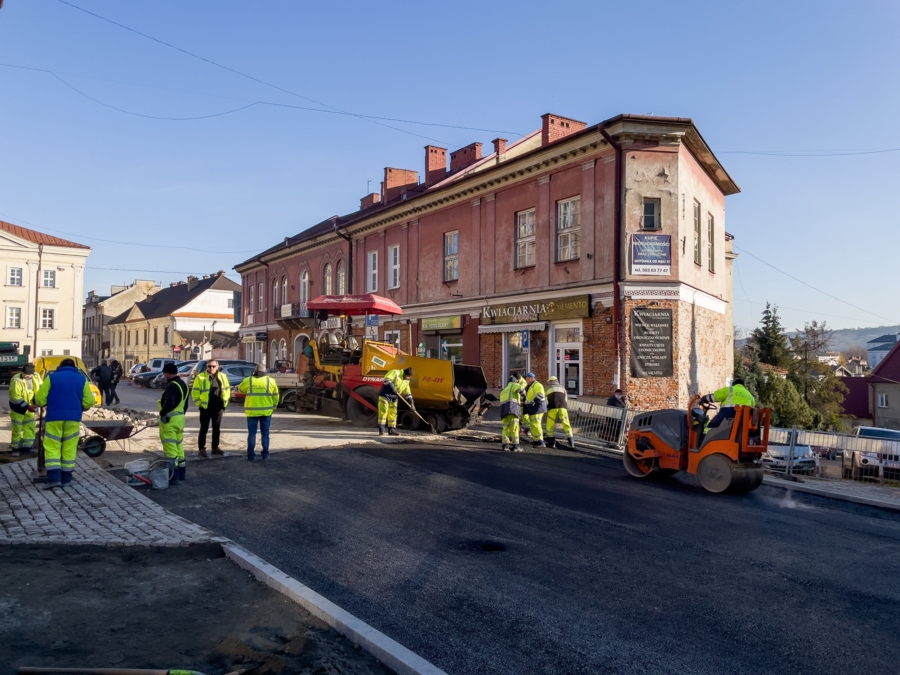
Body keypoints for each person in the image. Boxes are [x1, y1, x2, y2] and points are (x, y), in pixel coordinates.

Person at [34, 359, 94, 489]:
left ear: (60, 366)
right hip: (73, 419)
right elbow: (89, 401)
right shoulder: (81, 379)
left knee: (52, 446)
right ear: (74, 367)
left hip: (54, 417)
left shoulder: (52, 378)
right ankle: (66, 478)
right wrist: (80, 407)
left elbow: (39, 399)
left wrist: (43, 403)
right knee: (69, 447)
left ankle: (54, 478)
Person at [238, 364, 279, 461]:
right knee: (265, 434)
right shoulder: (271, 381)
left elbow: (241, 389)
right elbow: (276, 396)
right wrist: (273, 407)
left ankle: (250, 456)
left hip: (252, 412)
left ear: (254, 371)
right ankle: (265, 455)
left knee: (252, 434)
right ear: (265, 371)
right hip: (266, 412)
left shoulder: (249, 380)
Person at [158, 363, 190, 485]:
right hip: (180, 419)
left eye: (164, 374)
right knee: (179, 447)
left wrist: (163, 413)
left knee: (170, 449)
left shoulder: (171, 386)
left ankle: (173, 476)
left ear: (168, 374)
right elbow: (185, 405)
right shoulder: (184, 385)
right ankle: (182, 473)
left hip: (170, 421)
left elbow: (169, 402)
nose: (164, 376)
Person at [191, 360, 230, 458]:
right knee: (204, 429)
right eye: (209, 366)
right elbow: (195, 393)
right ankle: (201, 449)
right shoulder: (200, 377)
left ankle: (215, 448)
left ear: (217, 366)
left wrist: (225, 402)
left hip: (218, 407)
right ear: (206, 367)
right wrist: (199, 404)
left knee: (216, 429)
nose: (211, 368)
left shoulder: (223, 376)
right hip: (205, 408)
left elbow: (227, 390)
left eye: (213, 366)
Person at [8, 364, 43, 456]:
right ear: (22, 372)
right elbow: (15, 396)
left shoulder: (36, 376)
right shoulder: (16, 380)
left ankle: (27, 448)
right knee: (17, 429)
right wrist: (27, 406)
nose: (26, 376)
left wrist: (40, 402)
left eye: (28, 375)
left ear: (32, 373)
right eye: (25, 375)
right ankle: (15, 449)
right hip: (17, 408)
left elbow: (40, 389)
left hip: (30, 407)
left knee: (30, 427)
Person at [377, 367, 414, 436]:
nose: (409, 378)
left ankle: (391, 431)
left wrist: (412, 403)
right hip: (385, 395)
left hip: (394, 397)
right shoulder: (395, 373)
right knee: (383, 412)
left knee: (393, 414)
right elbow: (386, 379)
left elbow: (407, 393)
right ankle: (381, 430)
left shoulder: (406, 381)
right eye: (408, 376)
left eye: (409, 377)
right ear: (404, 374)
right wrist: (393, 388)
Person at [544, 376, 574, 450]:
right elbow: (566, 399)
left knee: (550, 426)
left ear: (549, 382)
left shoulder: (547, 388)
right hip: (563, 408)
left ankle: (551, 443)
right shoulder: (562, 387)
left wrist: (545, 407)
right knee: (566, 425)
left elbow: (544, 399)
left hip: (552, 407)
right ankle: (571, 443)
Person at [522, 372, 548, 448]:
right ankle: (536, 440)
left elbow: (541, 395)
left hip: (538, 407)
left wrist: (533, 401)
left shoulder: (537, 385)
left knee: (536, 424)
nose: (526, 380)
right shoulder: (531, 386)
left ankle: (540, 441)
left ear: (530, 378)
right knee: (533, 424)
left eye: (526, 378)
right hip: (534, 408)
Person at [499, 375, 523, 452]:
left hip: (504, 412)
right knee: (514, 428)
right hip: (513, 410)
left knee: (505, 428)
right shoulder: (514, 385)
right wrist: (525, 397)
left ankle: (505, 445)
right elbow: (521, 390)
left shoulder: (503, 390)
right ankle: (516, 446)